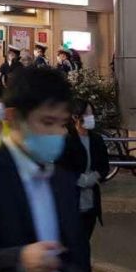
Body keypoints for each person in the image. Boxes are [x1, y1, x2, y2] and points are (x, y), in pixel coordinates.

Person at [0, 66, 92, 272]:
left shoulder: (63, 181)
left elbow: (79, 259)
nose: (58, 133)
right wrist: (17, 260)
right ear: (13, 117)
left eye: (62, 123)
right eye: (46, 122)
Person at [58, 99, 110, 242]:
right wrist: (79, 180)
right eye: (87, 113)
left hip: (91, 201)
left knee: (85, 242)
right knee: (72, 243)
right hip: (72, 200)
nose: (90, 117)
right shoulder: (66, 141)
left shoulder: (96, 140)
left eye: (91, 113)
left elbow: (104, 165)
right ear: (75, 117)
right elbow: (62, 169)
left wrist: (95, 177)